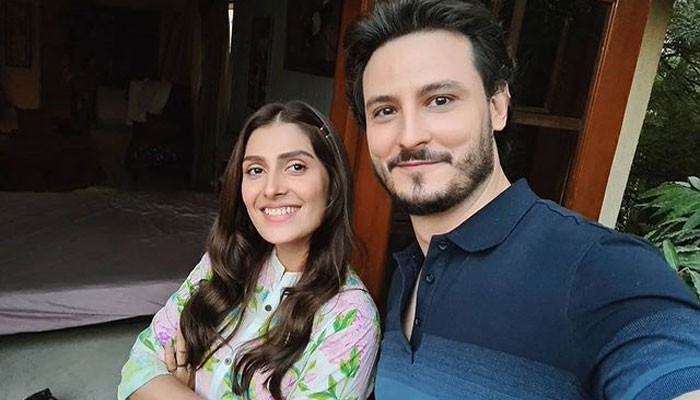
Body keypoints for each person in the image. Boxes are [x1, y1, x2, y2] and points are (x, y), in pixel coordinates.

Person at [343, 0, 700, 399]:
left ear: (497, 106)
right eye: (385, 110)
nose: (409, 136)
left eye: (440, 100)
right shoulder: (407, 274)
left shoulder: (600, 270)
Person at [118, 101, 380, 400]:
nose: (270, 189)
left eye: (295, 167)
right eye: (256, 170)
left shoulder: (350, 319)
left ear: (333, 183)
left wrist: (175, 389)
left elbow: (149, 383)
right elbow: (138, 367)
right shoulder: (225, 263)